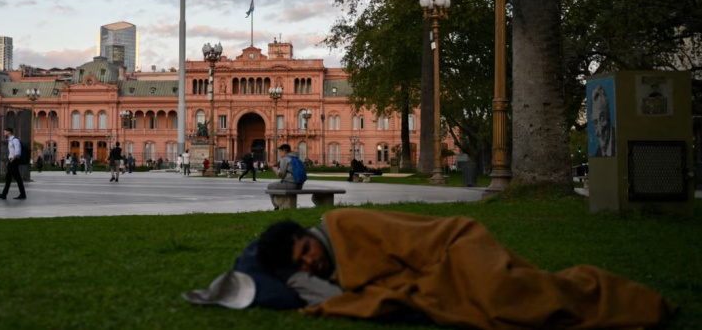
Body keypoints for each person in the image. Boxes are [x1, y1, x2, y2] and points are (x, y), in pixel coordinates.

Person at [251, 209, 675, 327]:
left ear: (308, 234)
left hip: (457, 244)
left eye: (304, 249)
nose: (310, 260)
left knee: (503, 294)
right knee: (487, 305)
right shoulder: (324, 266)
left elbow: (413, 241)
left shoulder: (344, 224)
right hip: (435, 271)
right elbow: (373, 282)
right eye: (300, 264)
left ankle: (605, 295)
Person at [268, 144, 303, 209]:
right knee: (276, 186)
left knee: (270, 186)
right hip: (299, 185)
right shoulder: (297, 159)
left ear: (284, 151)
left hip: (291, 184)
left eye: (280, 152)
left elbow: (281, 175)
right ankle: (279, 202)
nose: (280, 154)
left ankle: (276, 206)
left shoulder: (285, 159)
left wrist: (275, 170)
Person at [0, 127, 26, 200]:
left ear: (9, 132)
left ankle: (4, 194)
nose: (4, 134)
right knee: (17, 178)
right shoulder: (10, 141)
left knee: (8, 177)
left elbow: (17, 152)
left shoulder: (15, 140)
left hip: (14, 161)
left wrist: (12, 160)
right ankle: (22, 194)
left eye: (5, 132)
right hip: (12, 160)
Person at [591, 85, 616, 157]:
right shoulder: (597, 155)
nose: (599, 130)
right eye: (595, 123)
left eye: (602, 119)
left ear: (608, 115)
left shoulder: (621, 144)